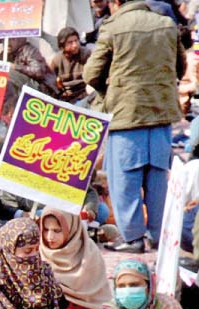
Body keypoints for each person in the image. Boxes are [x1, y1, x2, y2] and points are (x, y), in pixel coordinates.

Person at [84, 0, 185, 253]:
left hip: (126, 115)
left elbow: (91, 74)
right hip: (161, 115)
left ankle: (133, 238)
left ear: (116, 3)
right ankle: (159, 237)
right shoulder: (167, 24)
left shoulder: (114, 27)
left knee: (125, 181)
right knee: (158, 178)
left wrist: (109, 90)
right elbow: (180, 67)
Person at [39, 207, 112, 309]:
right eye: (46, 230)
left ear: (72, 228)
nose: (50, 237)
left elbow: (95, 295)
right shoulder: (37, 252)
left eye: (57, 230)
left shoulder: (88, 251)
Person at [50, 26, 92, 102]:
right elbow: (50, 82)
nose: (75, 45)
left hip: (85, 94)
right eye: (70, 42)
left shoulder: (86, 54)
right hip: (65, 97)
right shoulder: (57, 60)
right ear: (62, 45)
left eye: (76, 41)